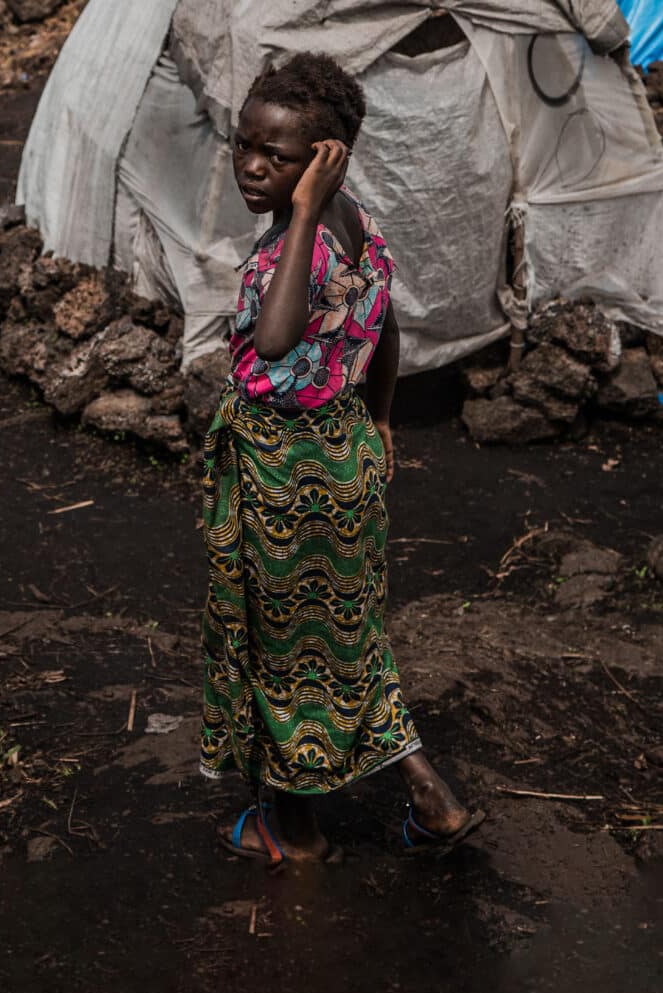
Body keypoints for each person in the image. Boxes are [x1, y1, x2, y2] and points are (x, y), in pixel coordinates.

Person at [199, 52, 484, 865]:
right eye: (243, 144)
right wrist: (382, 415)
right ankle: (431, 797)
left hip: (283, 470)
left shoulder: (308, 238)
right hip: (343, 457)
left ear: (324, 161)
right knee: (343, 635)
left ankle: (294, 832)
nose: (252, 165)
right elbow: (386, 323)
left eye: (279, 156)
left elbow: (278, 337)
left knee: (286, 649)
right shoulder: (357, 223)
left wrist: (298, 216)